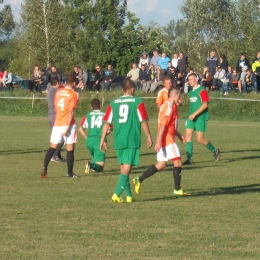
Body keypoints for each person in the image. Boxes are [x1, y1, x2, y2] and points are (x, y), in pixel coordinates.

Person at [100, 79, 153, 203]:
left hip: (118, 139)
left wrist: (102, 139)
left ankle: (129, 196)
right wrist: (149, 136)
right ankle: (116, 194)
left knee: (123, 170)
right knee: (126, 170)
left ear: (122, 89)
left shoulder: (113, 103)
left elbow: (106, 122)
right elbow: (143, 120)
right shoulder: (138, 102)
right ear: (133, 89)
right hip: (131, 139)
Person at [133, 88, 187, 196]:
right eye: (179, 96)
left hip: (163, 139)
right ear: (174, 95)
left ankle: (139, 179)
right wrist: (159, 142)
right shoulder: (169, 108)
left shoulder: (165, 106)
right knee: (178, 162)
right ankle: (177, 189)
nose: (180, 99)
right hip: (167, 140)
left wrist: (179, 135)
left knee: (161, 165)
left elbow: (168, 126)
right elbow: (163, 126)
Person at [40, 75, 79, 179]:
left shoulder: (58, 92)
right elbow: (71, 112)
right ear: (74, 83)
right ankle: (70, 173)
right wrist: (67, 127)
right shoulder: (73, 94)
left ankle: (44, 168)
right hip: (68, 124)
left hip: (57, 122)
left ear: (65, 82)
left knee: (52, 147)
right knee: (70, 149)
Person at [184, 73, 220, 165]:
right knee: (188, 136)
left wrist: (195, 114)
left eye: (192, 79)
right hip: (191, 117)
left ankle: (215, 151)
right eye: (189, 80)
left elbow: (205, 105)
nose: (190, 81)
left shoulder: (202, 90)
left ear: (196, 79)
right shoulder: (191, 92)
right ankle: (189, 159)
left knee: (200, 139)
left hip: (200, 117)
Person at [79, 99, 112, 173]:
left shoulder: (87, 115)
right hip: (99, 141)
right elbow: (109, 129)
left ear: (91, 107)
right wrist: (104, 135)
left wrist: (87, 139)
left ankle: (92, 166)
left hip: (89, 141)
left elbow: (80, 129)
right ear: (100, 105)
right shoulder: (105, 115)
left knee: (94, 155)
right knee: (100, 168)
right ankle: (90, 165)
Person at [46, 77, 66, 163]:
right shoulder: (58, 91)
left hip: (51, 115)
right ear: (57, 82)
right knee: (62, 137)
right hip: (56, 115)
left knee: (55, 137)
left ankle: (58, 156)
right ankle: (54, 155)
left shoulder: (50, 91)